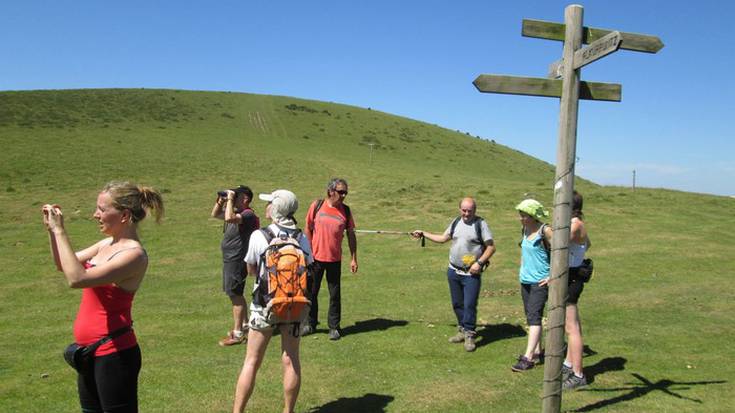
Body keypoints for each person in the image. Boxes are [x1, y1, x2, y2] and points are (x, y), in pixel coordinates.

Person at [42, 181, 164, 413]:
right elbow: (63, 265)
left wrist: (60, 231)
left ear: (124, 215)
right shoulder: (106, 244)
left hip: (114, 353)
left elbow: (77, 279)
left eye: (102, 209)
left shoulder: (133, 255)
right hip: (87, 351)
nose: (95, 215)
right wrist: (52, 231)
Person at [233, 189, 313, 413]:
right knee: (291, 360)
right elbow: (309, 268)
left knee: (252, 362)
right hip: (294, 306)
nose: (266, 206)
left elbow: (251, 270)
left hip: (263, 306)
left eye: (270, 203)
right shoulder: (302, 238)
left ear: (276, 209)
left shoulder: (259, 235)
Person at [411, 197, 496, 352]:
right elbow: (443, 238)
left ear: (475, 210)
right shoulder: (456, 222)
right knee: (457, 303)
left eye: (470, 210)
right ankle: (462, 330)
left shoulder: (480, 224)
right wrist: (423, 233)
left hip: (471, 273)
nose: (466, 213)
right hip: (453, 270)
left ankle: (470, 334)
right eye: (464, 210)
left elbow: (491, 247)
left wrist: (479, 263)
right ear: (459, 209)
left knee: (469, 304)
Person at [301, 178, 358, 340]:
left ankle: (334, 327)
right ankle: (310, 324)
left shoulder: (346, 211)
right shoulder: (317, 206)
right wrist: (308, 252)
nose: (344, 195)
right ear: (330, 192)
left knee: (335, 294)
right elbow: (308, 229)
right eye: (341, 192)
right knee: (311, 292)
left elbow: (351, 235)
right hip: (315, 259)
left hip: (335, 259)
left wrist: (354, 258)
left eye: (345, 192)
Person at [211, 185, 260, 346]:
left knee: (235, 295)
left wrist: (230, 200)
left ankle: (238, 333)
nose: (234, 198)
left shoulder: (248, 215)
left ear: (245, 199)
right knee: (235, 293)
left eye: (237, 196)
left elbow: (229, 218)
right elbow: (215, 214)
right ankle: (245, 325)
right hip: (231, 258)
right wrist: (221, 200)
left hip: (237, 259)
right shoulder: (237, 212)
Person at [512, 198, 552, 372]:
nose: (521, 218)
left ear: (534, 216)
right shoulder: (525, 229)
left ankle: (527, 358)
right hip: (526, 280)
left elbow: (562, 253)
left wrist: (552, 276)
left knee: (535, 317)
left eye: (524, 216)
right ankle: (537, 351)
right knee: (530, 316)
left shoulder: (546, 231)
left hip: (540, 281)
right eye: (520, 215)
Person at [562, 191, 591, 390]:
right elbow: (587, 243)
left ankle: (578, 374)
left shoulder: (574, 225)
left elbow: (558, 242)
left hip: (572, 278)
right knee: (572, 325)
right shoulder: (576, 224)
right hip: (570, 275)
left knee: (571, 328)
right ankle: (568, 363)